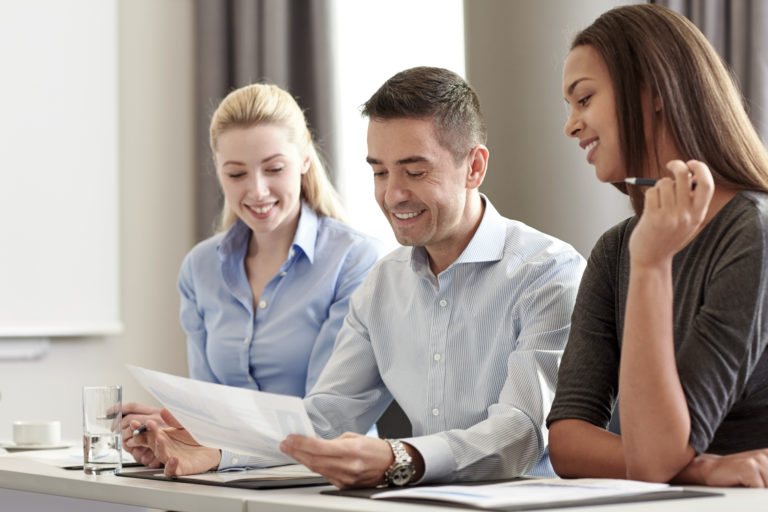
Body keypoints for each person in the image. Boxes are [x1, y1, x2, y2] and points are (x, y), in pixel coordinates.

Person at [131, 66, 586, 488]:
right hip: (416, 502)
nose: (392, 194)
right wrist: (212, 451)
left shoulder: (547, 272)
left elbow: (523, 430)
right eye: (379, 171)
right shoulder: (384, 284)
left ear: (475, 167)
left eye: (414, 170)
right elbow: (323, 419)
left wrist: (400, 457)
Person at [547, 4, 768, 488]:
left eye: (583, 100)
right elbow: (566, 440)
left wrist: (651, 264)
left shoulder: (752, 232)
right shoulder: (615, 249)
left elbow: (652, 463)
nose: (571, 126)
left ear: (652, 92)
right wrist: (699, 467)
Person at [120, 83, 383, 467]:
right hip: (231, 481)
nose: (257, 191)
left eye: (274, 169)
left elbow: (326, 421)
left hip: (324, 484)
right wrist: (171, 431)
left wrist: (217, 451)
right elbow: (210, 411)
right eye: (237, 173)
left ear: (305, 159)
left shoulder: (355, 259)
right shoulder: (200, 268)